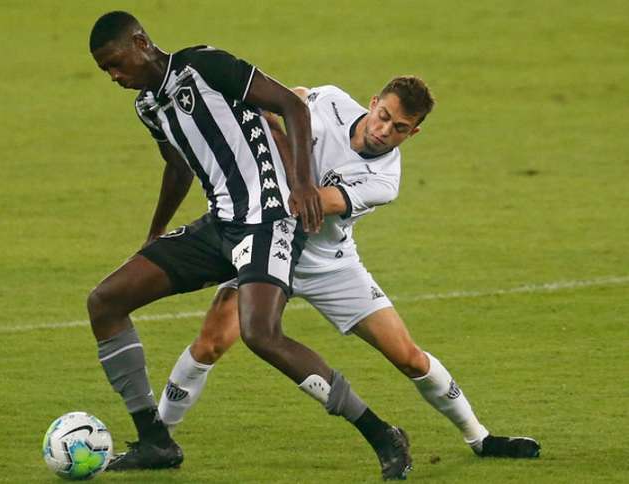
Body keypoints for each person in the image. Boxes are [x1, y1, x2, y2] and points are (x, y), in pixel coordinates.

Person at [87, 11, 412, 480]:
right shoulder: (148, 106)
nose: (115, 76)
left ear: (140, 42)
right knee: (105, 301)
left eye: (116, 63)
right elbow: (177, 167)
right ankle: (155, 440)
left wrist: (301, 185)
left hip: (271, 219)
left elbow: (292, 107)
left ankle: (382, 433)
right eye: (105, 71)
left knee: (260, 333)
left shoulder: (204, 65)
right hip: (222, 223)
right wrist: (155, 233)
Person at [157, 77, 542, 460]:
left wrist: (272, 148)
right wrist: (275, 116)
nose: (383, 131)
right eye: (383, 116)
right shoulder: (333, 100)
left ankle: (480, 438)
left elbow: (305, 202)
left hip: (329, 265)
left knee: (408, 356)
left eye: (399, 128)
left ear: (414, 133)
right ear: (372, 102)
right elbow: (285, 100)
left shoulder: (385, 180)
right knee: (210, 342)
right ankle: (159, 439)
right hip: (263, 244)